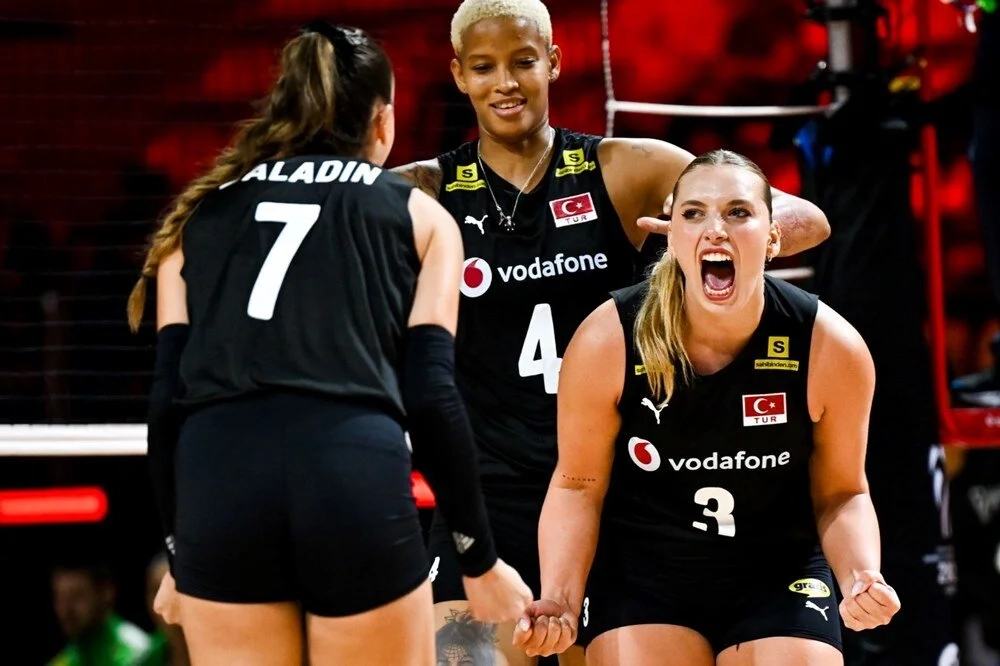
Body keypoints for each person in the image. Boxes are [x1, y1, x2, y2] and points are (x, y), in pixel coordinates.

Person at [390, 1, 832, 663]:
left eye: (523, 61)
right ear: (458, 75)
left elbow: (807, 220)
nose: (505, 82)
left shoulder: (626, 170)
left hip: (611, 498)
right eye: (483, 67)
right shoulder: (426, 190)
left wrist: (703, 235)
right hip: (489, 497)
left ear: (553, 62)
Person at [126, 21, 531, 666]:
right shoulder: (421, 215)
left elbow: (166, 407)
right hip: (348, 474)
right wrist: (477, 559)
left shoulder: (198, 219)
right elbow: (432, 398)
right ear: (382, 121)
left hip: (220, 487)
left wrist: (180, 552)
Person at [514, 150, 900, 665]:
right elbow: (578, 484)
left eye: (738, 212)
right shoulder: (610, 336)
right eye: (693, 213)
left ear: (773, 237)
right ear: (672, 236)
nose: (715, 230)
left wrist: (860, 576)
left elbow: (842, 492)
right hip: (644, 575)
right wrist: (561, 599)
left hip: (778, 573)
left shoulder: (830, 345)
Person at [48, 562, 150, 666]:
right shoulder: (64, 660)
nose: (66, 609)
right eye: (60, 597)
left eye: (77, 596)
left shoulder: (137, 654)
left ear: (106, 594)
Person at [134, 552, 190, 666]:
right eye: (156, 591)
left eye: (176, 589)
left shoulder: (223, 652)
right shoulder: (143, 660)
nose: (164, 604)